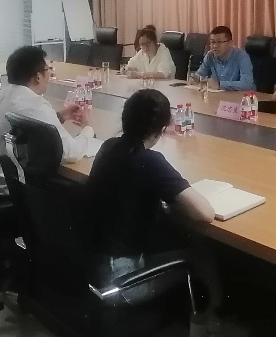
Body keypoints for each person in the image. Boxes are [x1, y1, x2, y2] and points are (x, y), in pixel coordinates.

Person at [86, 89, 219, 330]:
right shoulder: (150, 160)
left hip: (93, 268)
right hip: (122, 283)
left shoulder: (109, 146)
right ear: (162, 128)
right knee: (200, 257)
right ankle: (205, 327)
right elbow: (205, 213)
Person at [0, 46, 93, 194]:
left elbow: (30, 125)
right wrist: (88, 129)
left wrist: (59, 116)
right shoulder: (35, 105)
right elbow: (71, 153)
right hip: (15, 191)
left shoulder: (2, 95)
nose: (49, 75)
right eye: (48, 70)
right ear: (38, 77)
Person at [195, 26, 255, 91]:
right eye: (212, 42)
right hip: (217, 96)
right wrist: (194, 79)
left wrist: (219, 85)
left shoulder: (242, 56)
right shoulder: (210, 55)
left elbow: (247, 84)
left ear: (230, 43)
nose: (215, 46)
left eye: (219, 42)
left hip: (239, 96)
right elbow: (200, 75)